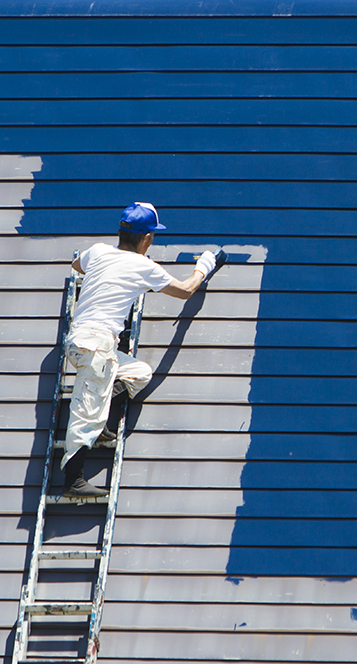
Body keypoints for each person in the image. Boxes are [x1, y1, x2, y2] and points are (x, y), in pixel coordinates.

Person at [61, 202, 217, 497]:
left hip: (81, 340)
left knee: (138, 372)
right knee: (86, 412)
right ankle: (73, 480)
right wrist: (204, 266)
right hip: (97, 345)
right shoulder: (143, 266)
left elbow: (76, 265)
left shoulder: (97, 251)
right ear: (146, 239)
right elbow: (185, 290)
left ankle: (103, 418)